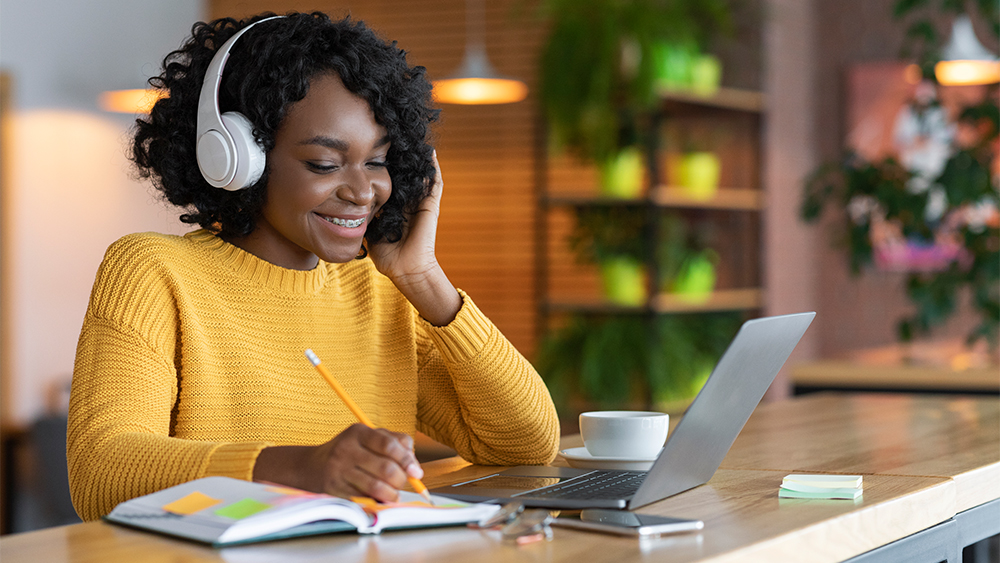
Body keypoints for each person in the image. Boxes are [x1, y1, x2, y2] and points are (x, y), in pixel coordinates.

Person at [67, 12, 560, 522]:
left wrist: (424, 280)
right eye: (325, 164)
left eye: (377, 161)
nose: (363, 191)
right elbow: (101, 472)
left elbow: (525, 444)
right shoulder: (153, 272)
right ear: (238, 158)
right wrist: (303, 469)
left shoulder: (380, 289)